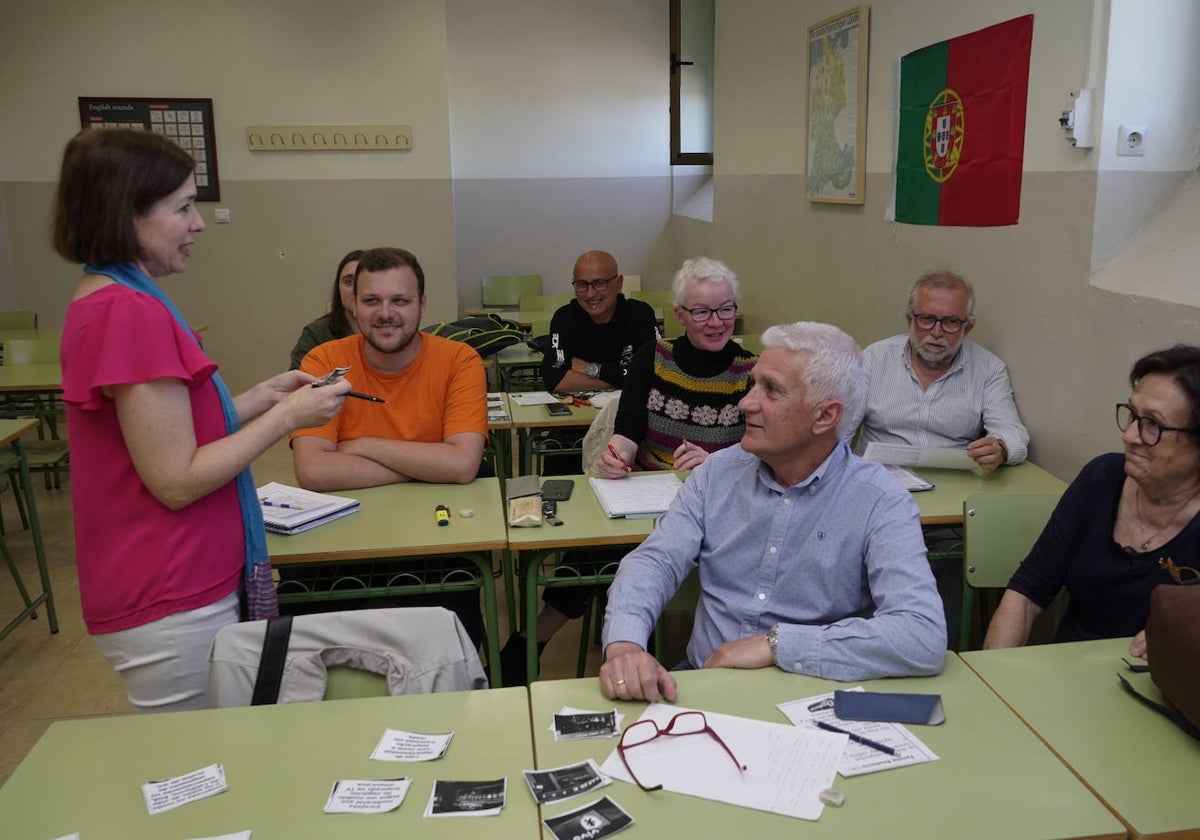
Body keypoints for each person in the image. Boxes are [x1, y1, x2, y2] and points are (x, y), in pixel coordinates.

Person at [53, 128, 349, 713]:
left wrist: (264, 397)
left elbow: (162, 434)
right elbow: (177, 476)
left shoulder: (105, 297)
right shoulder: (129, 312)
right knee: (196, 772)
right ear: (125, 213)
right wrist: (289, 416)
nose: (198, 224)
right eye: (183, 207)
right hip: (169, 590)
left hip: (166, 582)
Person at [599, 322, 947, 702]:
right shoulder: (716, 472)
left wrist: (777, 645)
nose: (746, 402)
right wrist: (625, 644)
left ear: (825, 416)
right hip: (707, 682)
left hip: (811, 692)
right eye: (753, 384)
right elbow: (655, 562)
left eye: (772, 390)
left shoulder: (879, 499)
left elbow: (921, 633)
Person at [501, 258, 757, 685]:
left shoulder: (751, 371)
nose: (716, 322)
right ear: (679, 315)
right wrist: (614, 455)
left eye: (725, 310)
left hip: (721, 499)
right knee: (596, 548)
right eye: (701, 312)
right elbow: (628, 429)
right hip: (651, 490)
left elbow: (762, 452)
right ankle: (544, 641)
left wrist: (718, 464)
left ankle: (560, 641)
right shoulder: (654, 359)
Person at [290, 246, 489, 643]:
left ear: (422, 305)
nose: (386, 313)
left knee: (458, 642)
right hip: (340, 538)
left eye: (400, 300)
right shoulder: (323, 361)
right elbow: (313, 471)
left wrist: (360, 445)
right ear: (353, 305)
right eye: (372, 301)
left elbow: (463, 466)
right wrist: (430, 463)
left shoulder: (459, 361)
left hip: (435, 538)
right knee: (294, 637)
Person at [984, 345, 1200, 657]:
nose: (1130, 436)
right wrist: (994, 673)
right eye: (1132, 415)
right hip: (1066, 676)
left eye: (1152, 424)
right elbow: (1027, 593)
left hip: (1156, 691)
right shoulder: (1101, 479)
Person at [852, 271, 1029, 472]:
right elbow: (839, 431)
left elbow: (1013, 433)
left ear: (967, 328)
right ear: (910, 320)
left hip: (953, 483)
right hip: (878, 478)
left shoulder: (989, 370)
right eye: (926, 319)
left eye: (951, 322)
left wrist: (1001, 448)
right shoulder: (875, 358)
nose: (936, 333)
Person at [541, 250, 659, 393]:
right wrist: (624, 379)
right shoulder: (564, 318)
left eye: (599, 283)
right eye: (581, 284)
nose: (590, 293)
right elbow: (554, 379)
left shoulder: (640, 315)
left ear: (618, 283)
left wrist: (588, 369)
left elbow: (654, 373)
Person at [288, 249, 365, 369]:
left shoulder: (392, 329)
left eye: (364, 281)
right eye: (349, 281)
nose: (355, 289)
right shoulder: (317, 333)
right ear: (338, 288)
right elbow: (299, 384)